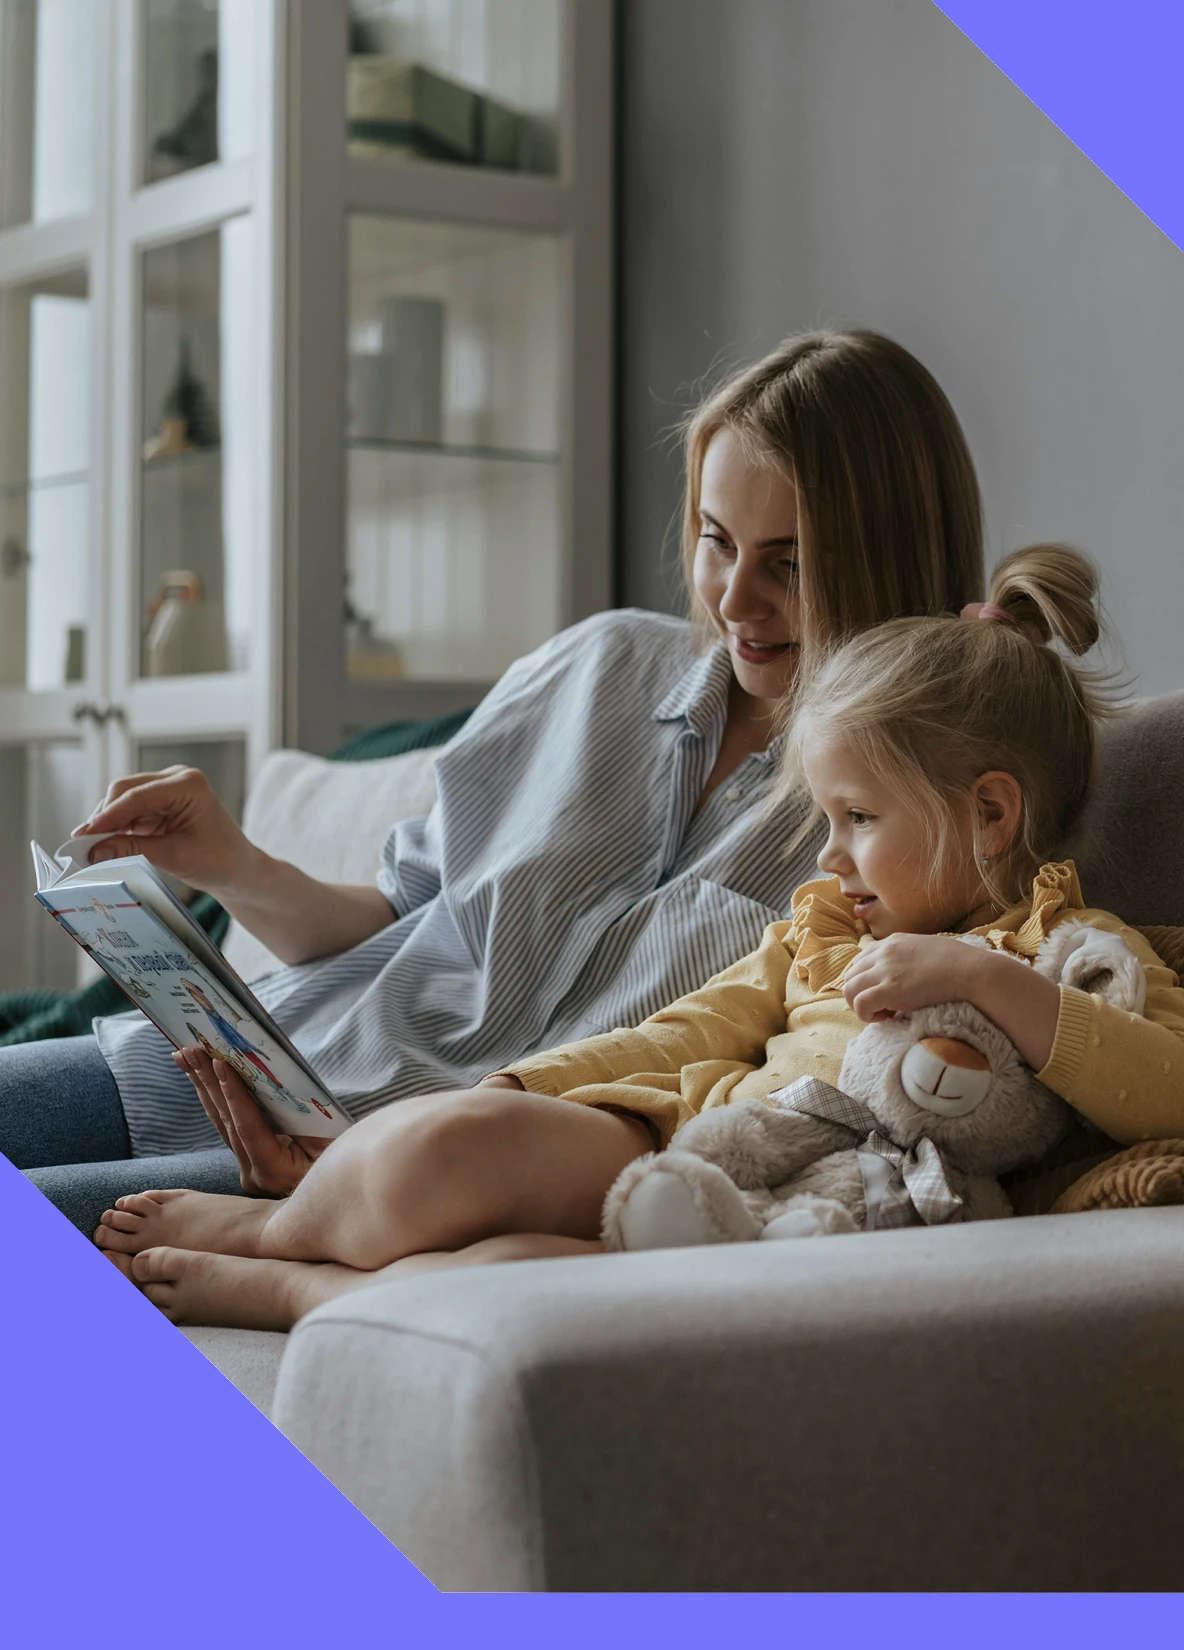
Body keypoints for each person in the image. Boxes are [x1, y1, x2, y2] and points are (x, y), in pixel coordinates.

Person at [8, 329, 984, 1215]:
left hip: (376, 1170)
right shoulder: (596, 669)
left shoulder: (891, 824)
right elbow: (398, 912)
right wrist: (227, 862)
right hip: (239, 1056)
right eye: (714, 542)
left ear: (887, 562)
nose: (733, 600)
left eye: (789, 564)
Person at [94, 544, 1184, 1328]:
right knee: (441, 1141)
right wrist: (516, 1092)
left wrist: (985, 985)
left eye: (857, 819)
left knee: (509, 1290)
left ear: (988, 815)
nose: (828, 854)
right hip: (685, 1151)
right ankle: (281, 1231)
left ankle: (293, 1286)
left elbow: (1163, 1092)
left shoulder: (1077, 953)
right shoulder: (815, 935)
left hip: (800, 1227)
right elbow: (677, 1035)